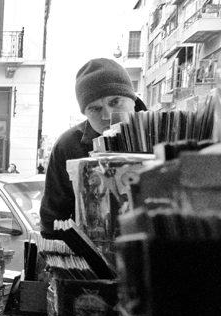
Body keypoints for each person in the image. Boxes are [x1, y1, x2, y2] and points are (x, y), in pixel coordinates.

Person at [40, 57, 147, 234]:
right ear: (85, 113)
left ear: (133, 99)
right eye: (95, 109)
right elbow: (52, 219)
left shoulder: (170, 133)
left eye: (115, 102)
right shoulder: (68, 146)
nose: (107, 115)